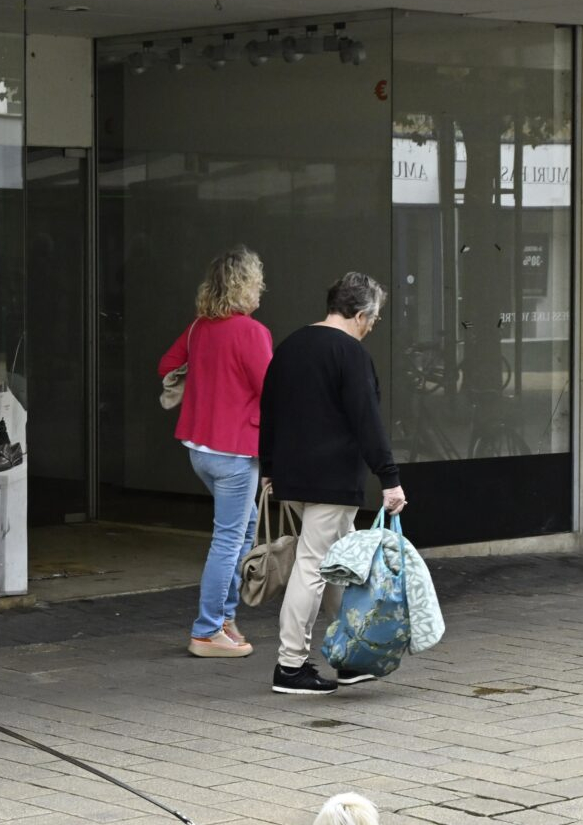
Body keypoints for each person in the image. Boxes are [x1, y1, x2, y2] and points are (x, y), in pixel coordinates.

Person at [258, 272, 407, 696]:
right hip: (332, 478)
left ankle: (351, 654)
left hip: (293, 474)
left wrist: (269, 466)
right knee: (316, 564)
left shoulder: (290, 347)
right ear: (360, 314)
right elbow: (367, 422)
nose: (373, 327)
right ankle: (290, 665)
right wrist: (390, 480)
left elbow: (269, 409)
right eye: (373, 320)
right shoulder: (350, 354)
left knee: (344, 568)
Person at [157, 247, 273, 659]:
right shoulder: (250, 332)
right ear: (245, 285)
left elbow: (167, 365)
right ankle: (207, 631)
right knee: (228, 540)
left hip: (199, 448)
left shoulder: (199, 328)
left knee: (241, 532)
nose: (262, 288)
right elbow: (271, 392)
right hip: (235, 453)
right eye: (258, 281)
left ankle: (224, 619)